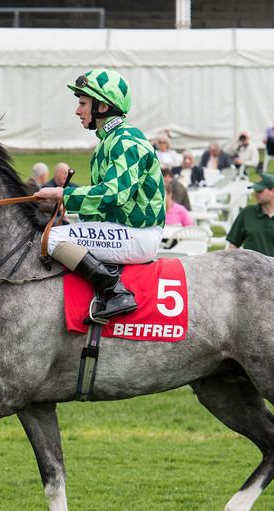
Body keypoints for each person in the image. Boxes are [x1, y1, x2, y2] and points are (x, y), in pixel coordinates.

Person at [34, 68, 165, 321]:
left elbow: (115, 194)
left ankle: (116, 291)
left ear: (102, 107)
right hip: (123, 230)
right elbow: (103, 204)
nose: (77, 110)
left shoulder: (127, 140)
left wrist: (64, 195)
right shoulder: (108, 141)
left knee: (49, 239)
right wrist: (67, 203)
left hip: (138, 235)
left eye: (83, 103)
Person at [226, 173, 274, 263]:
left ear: (273, 191)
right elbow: (233, 247)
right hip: (249, 274)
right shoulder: (246, 213)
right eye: (255, 191)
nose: (256, 194)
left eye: (260, 191)